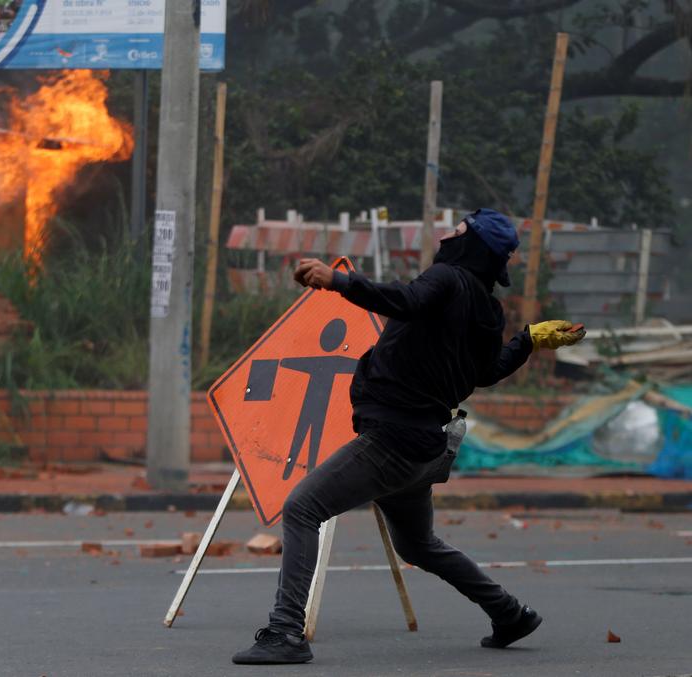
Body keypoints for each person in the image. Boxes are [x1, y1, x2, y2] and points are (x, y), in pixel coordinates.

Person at [232, 208, 586, 665]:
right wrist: (527, 341)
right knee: (417, 544)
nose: (447, 235)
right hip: (426, 446)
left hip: (393, 441)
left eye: (457, 230)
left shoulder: (446, 278)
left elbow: (404, 299)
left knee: (303, 508)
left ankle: (285, 633)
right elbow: (486, 372)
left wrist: (337, 282)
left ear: (472, 245)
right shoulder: (487, 308)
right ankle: (509, 613)